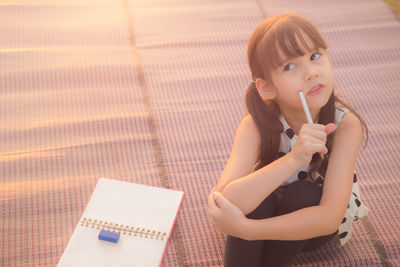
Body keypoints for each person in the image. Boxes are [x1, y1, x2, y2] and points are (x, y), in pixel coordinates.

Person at [207, 13, 369, 267]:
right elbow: (226, 201)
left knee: (303, 193)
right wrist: (295, 159)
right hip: (270, 204)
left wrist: (247, 229)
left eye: (315, 56)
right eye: (289, 67)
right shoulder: (254, 125)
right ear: (266, 88)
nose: (311, 73)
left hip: (315, 223)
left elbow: (328, 217)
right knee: (257, 196)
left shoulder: (345, 125)